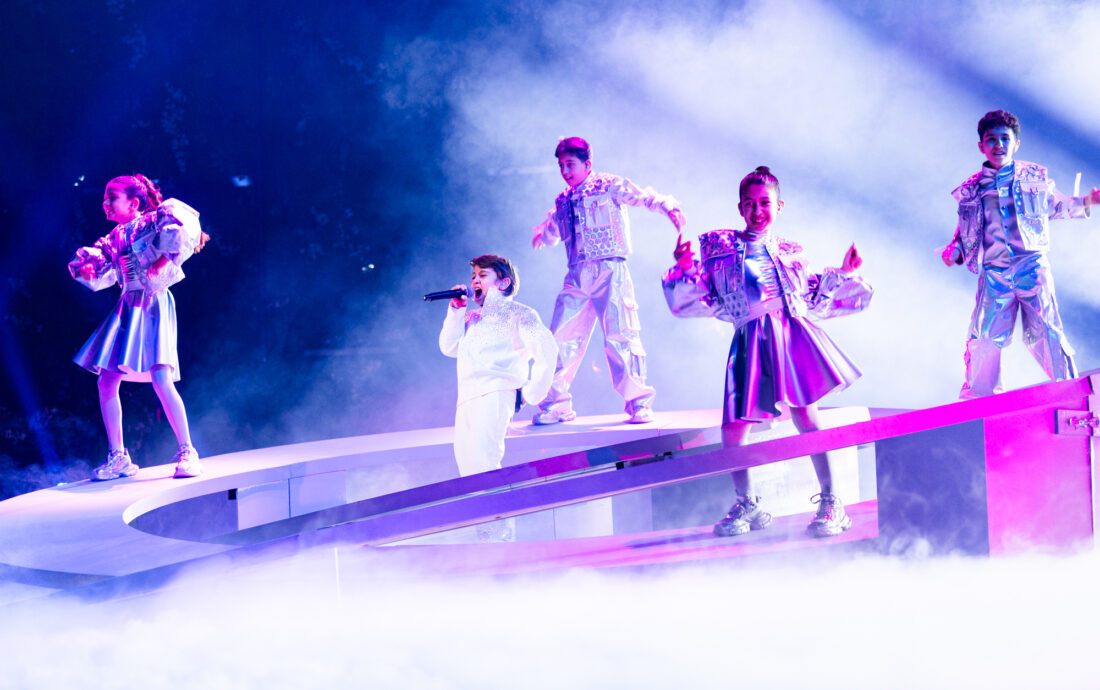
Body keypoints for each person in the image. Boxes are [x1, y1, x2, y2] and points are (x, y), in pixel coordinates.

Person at [663, 166, 872, 538]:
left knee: (807, 418)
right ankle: (748, 503)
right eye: (750, 204)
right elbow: (701, 297)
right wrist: (683, 266)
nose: (757, 211)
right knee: (734, 428)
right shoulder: (719, 248)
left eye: (765, 203)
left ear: (779, 205)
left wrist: (845, 271)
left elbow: (812, 296)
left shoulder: (791, 252)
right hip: (749, 341)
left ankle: (831, 501)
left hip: (790, 334)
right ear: (740, 208)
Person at [941, 109, 1100, 398]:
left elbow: (1058, 205)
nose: (998, 145)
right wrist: (955, 251)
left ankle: (1070, 393)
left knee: (1046, 329)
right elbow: (966, 231)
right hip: (995, 272)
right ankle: (979, 400)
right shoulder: (972, 189)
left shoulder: (1033, 177)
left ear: (1016, 144)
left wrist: (1088, 201)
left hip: (1031, 266)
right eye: (991, 139)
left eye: (1005, 138)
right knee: (985, 335)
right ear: (981, 146)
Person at [530, 137, 685, 425]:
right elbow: (553, 229)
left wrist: (667, 207)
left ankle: (638, 400)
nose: (565, 171)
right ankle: (556, 403)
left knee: (620, 333)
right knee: (560, 337)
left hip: (609, 269)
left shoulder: (607, 185)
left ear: (587, 164)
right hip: (577, 274)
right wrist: (543, 234)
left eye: (571, 165)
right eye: (561, 165)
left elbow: (640, 196)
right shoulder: (563, 200)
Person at [69, 174, 208, 480]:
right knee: (106, 381)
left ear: (133, 204)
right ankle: (118, 456)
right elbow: (103, 266)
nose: (105, 203)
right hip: (128, 305)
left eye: (112, 198)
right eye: (105, 198)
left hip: (154, 301)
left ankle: (188, 450)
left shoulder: (154, 221)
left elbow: (182, 231)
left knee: (161, 378)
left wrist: (164, 261)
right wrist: (90, 267)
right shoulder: (115, 237)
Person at [439, 254, 557, 541]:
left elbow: (547, 349)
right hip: (466, 396)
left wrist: (530, 392)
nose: (474, 281)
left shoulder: (519, 313)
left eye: (483, 275)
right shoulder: (472, 318)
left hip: (495, 391)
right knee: (468, 467)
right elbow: (448, 347)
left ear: (503, 282)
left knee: (485, 462)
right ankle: (485, 534)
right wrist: (455, 312)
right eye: (473, 277)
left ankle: (502, 538)